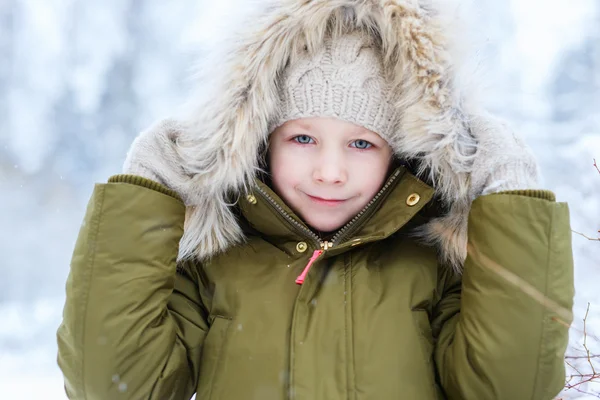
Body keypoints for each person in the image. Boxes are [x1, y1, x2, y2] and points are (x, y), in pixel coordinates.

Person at [56, 1, 575, 399]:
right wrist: (151, 184)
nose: (330, 172)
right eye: (303, 139)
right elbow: (114, 385)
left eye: (361, 143)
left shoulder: (435, 264)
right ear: (260, 141)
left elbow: (511, 388)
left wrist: (507, 187)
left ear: (399, 155)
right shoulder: (210, 265)